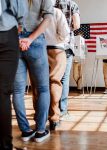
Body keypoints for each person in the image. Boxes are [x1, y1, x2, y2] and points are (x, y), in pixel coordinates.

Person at [13, 0, 53, 143]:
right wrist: (29, 39)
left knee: (18, 91)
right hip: (35, 41)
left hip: (15, 41)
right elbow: (48, 19)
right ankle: (40, 131)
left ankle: (25, 131)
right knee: (43, 89)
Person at [0, 0, 27, 149]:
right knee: (2, 93)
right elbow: (18, 5)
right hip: (5, 31)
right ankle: (4, 146)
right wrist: (20, 22)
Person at [45, 0, 70, 130]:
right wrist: (59, 39)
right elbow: (65, 33)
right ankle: (54, 118)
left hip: (40, 50)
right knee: (55, 82)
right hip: (57, 50)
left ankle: (40, 116)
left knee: (40, 84)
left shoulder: (35, 13)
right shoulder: (57, 12)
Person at [55, 0, 80, 120]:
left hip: (52, 45)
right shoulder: (73, 5)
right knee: (64, 78)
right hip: (67, 45)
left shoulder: (51, 4)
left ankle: (52, 110)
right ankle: (63, 110)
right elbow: (77, 25)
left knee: (53, 78)